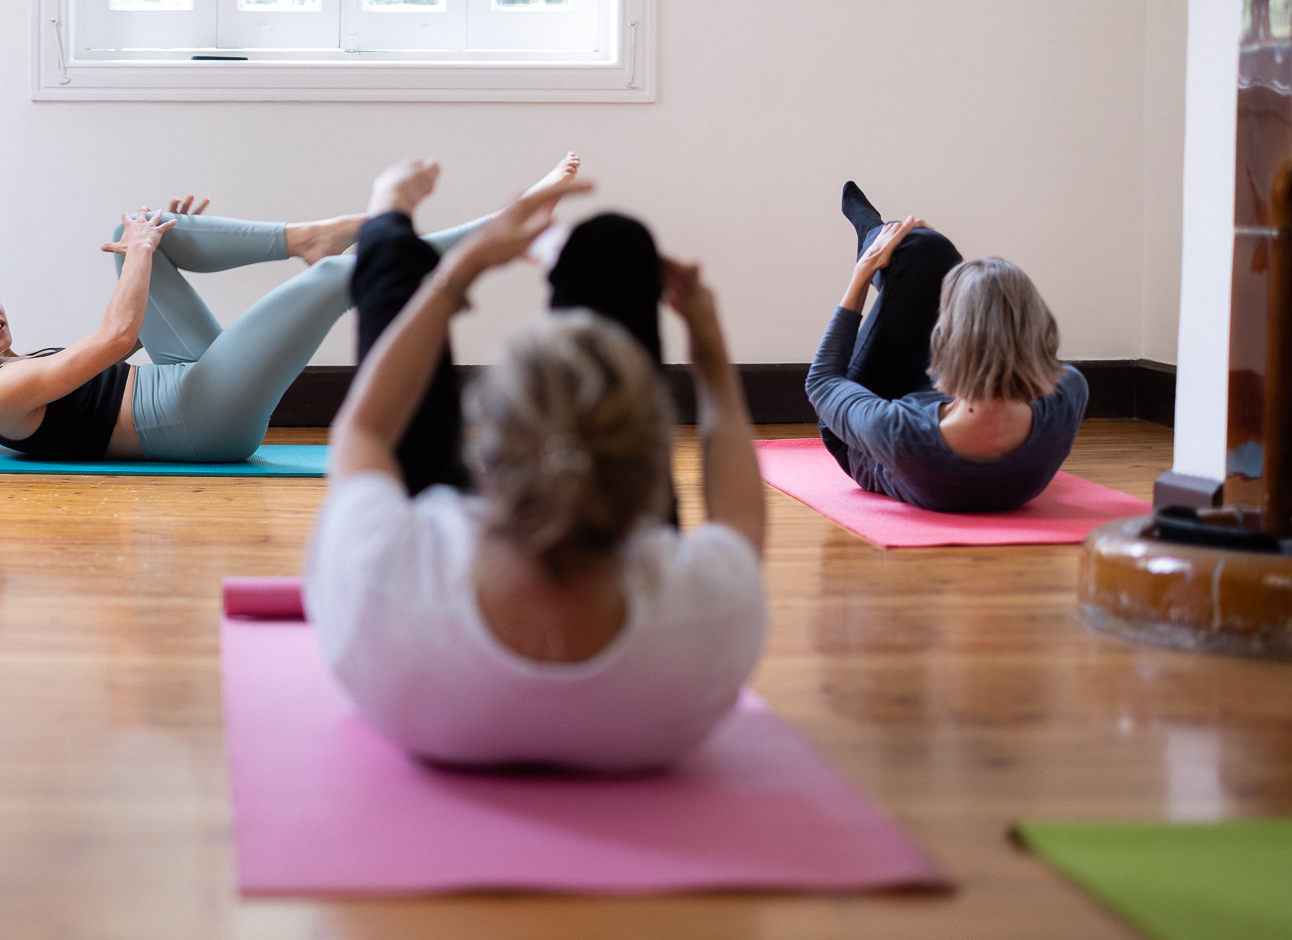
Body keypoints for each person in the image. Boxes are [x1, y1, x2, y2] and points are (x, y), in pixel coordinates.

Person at [304, 162, 768, 772]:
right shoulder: (707, 610)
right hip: (619, 565)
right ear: (649, 465)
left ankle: (390, 210)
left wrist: (458, 274)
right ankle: (566, 255)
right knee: (617, 243)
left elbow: (364, 428)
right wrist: (711, 358)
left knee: (398, 280)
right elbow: (739, 515)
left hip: (434, 594)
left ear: (484, 462)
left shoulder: (386, 568)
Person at [0, 155, 582, 464]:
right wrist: (144, 252)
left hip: (185, 381)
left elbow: (127, 339)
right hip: (199, 419)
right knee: (332, 277)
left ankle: (306, 236)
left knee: (141, 228)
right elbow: (119, 336)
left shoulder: (8, 373)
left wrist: (155, 247)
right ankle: (502, 227)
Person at [806, 181, 1087, 513]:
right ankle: (888, 239)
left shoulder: (897, 430)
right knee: (932, 252)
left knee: (919, 247)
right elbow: (1022, 350)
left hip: (867, 435)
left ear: (943, 339)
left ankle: (873, 237)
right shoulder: (1068, 396)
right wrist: (965, 278)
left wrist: (863, 272)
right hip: (939, 399)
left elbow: (822, 382)